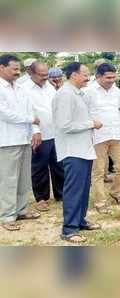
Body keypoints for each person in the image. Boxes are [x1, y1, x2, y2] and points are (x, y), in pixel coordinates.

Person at [53, 62, 102, 243]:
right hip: (73, 151)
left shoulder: (77, 94)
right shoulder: (65, 95)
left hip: (84, 149)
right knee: (74, 190)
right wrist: (91, 124)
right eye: (85, 74)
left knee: (82, 189)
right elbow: (64, 125)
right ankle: (69, 229)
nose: (88, 77)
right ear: (74, 75)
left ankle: (80, 221)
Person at [0, 54, 41, 231]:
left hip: (24, 139)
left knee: (24, 179)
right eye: (14, 69)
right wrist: (30, 120)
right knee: (8, 180)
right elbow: (4, 113)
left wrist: (35, 131)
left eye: (19, 69)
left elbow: (30, 110)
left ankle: (21, 210)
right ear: (2, 68)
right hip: (7, 140)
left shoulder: (20, 88)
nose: (18, 72)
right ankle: (7, 216)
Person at [85, 63, 120, 215]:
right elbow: (83, 114)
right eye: (108, 77)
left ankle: (116, 192)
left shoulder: (117, 92)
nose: (112, 80)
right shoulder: (88, 92)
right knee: (98, 171)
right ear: (98, 76)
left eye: (113, 77)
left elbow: (119, 110)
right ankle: (100, 202)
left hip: (116, 134)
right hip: (97, 137)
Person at [22, 61, 64, 212]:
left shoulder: (50, 87)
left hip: (55, 133)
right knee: (39, 168)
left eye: (47, 74)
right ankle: (41, 198)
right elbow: (27, 112)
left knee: (59, 165)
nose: (46, 78)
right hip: (38, 134)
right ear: (31, 73)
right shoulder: (24, 89)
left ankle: (61, 194)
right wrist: (35, 130)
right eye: (42, 75)